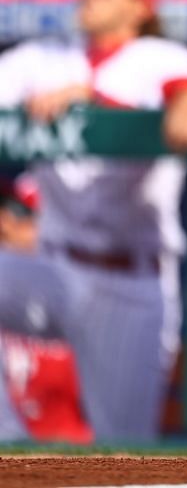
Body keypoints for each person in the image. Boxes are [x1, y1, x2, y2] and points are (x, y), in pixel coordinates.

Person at [0, 0, 187, 441]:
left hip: (128, 281)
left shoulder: (161, 57)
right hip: (51, 266)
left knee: (124, 454)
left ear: (140, 6)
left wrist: (93, 100)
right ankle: (12, 445)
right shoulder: (44, 57)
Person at [0, 178, 92, 444]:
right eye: (4, 209)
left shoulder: (78, 300)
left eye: (24, 215)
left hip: (71, 455)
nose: (5, 222)